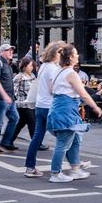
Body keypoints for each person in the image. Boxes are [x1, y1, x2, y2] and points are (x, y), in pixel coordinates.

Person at [46, 43, 102, 183]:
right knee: (63, 143)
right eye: (76, 54)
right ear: (71, 57)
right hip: (65, 111)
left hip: (60, 108)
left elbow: (51, 90)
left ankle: (75, 169)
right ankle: (55, 173)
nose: (78, 56)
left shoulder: (58, 71)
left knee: (75, 139)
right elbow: (83, 94)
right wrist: (96, 107)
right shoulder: (71, 74)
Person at [23, 41, 66, 178]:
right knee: (65, 135)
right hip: (50, 106)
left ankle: (30, 168)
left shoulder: (43, 66)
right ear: (56, 54)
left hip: (40, 106)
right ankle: (73, 165)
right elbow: (55, 88)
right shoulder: (53, 69)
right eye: (61, 53)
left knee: (37, 137)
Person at [4, 57, 37, 147]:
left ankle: (8, 141)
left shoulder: (33, 76)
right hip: (22, 104)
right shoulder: (19, 77)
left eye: (33, 66)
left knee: (20, 124)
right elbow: (14, 92)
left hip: (31, 103)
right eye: (30, 66)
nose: (32, 68)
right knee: (32, 123)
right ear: (24, 66)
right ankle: (37, 144)